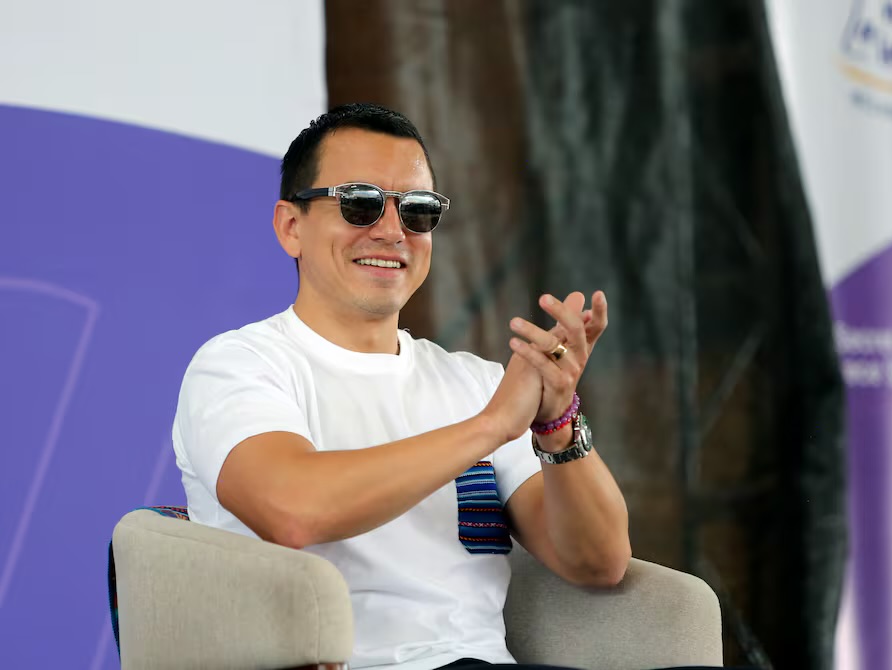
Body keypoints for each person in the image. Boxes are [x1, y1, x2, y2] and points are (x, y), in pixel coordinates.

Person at [172, 102, 631, 670]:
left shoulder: (477, 383)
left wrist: (556, 423)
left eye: (417, 210)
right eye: (360, 203)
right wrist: (490, 427)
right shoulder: (239, 365)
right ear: (291, 227)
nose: (392, 231)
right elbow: (293, 511)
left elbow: (598, 564)